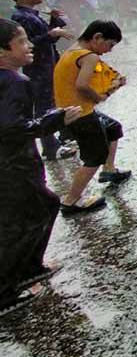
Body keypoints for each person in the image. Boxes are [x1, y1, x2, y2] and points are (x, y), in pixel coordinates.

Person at [0, 19, 83, 316]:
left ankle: (29, 267)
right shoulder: (14, 82)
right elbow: (12, 127)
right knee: (24, 218)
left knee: (40, 207)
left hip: (13, 162)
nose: (30, 44)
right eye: (21, 41)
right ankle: (6, 287)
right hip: (13, 164)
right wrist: (55, 120)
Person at [53, 20, 132, 215]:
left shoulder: (72, 52)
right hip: (81, 114)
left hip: (71, 111)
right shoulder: (89, 57)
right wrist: (98, 97)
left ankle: (109, 170)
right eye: (110, 44)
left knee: (113, 128)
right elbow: (82, 85)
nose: (109, 50)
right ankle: (71, 200)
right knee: (93, 156)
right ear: (97, 37)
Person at [5, 0, 77, 161]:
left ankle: (62, 136)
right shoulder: (20, 17)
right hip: (38, 68)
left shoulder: (33, 14)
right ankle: (51, 147)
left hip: (48, 65)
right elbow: (29, 44)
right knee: (45, 106)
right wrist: (51, 33)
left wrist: (53, 22)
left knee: (53, 100)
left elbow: (46, 38)